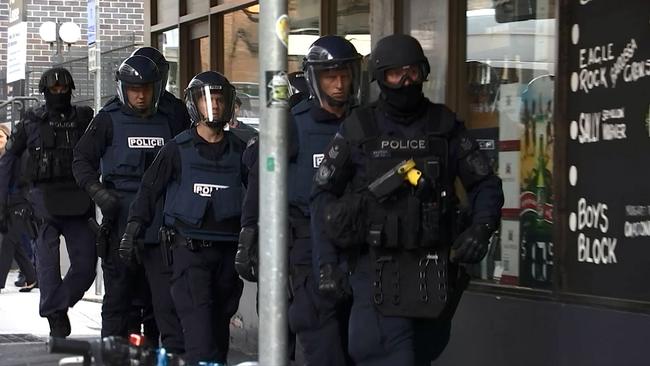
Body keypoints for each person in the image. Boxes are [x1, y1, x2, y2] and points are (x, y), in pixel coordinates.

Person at [310, 34, 504, 365]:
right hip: (375, 266)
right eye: (395, 73)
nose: (405, 81)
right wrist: (326, 264)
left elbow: (484, 182)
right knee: (386, 355)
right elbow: (322, 196)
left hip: (432, 267)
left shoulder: (443, 127)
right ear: (380, 78)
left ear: (424, 73)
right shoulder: (359, 128)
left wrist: (482, 227)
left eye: (412, 72)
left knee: (421, 354)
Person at [236, 35, 361, 366]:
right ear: (314, 79)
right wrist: (249, 233)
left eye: (344, 76)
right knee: (319, 341)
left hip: (359, 246)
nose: (338, 85)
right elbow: (262, 178)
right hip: (305, 246)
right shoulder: (293, 123)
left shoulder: (364, 124)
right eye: (330, 77)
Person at [121, 71, 245, 364]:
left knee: (218, 334)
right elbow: (149, 192)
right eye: (206, 101)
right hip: (190, 254)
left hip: (228, 254)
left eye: (218, 99)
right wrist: (132, 230)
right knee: (199, 335)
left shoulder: (241, 150)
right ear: (194, 106)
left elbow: (260, 196)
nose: (213, 106)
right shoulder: (177, 149)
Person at [72, 54, 187, 353]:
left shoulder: (169, 120)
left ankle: (153, 356)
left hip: (160, 224)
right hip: (120, 219)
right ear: (123, 88)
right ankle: (113, 357)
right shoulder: (108, 120)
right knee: (118, 302)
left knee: (160, 303)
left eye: (147, 88)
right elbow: (81, 161)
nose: (140, 94)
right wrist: (97, 192)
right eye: (134, 88)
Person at [0, 68, 97, 337]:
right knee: (47, 266)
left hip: (79, 202)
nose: (59, 93)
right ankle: (55, 317)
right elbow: (7, 161)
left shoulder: (85, 119)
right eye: (53, 90)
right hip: (42, 203)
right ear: (45, 92)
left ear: (70, 89)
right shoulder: (31, 122)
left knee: (86, 266)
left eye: (63, 89)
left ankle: (57, 307)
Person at [0, 124, 38, 293]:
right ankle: (31, 277)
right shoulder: (4, 158)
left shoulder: (16, 156)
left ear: (8, 138)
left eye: (0, 137)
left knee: (8, 242)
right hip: (7, 206)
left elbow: (21, 181)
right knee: (15, 245)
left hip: (19, 204)